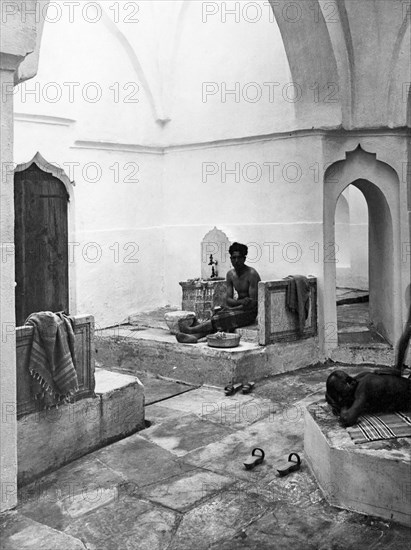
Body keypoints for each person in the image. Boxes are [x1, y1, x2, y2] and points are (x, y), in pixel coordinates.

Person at [176, 242, 261, 343]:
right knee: (219, 313)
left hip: (249, 313)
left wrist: (234, 306)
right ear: (231, 259)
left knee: (223, 317)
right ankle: (196, 337)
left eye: (239, 258)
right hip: (238, 307)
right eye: (234, 258)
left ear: (244, 258)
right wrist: (238, 304)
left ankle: (191, 330)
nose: (236, 261)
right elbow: (229, 300)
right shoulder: (230, 275)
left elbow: (252, 304)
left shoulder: (252, 274)